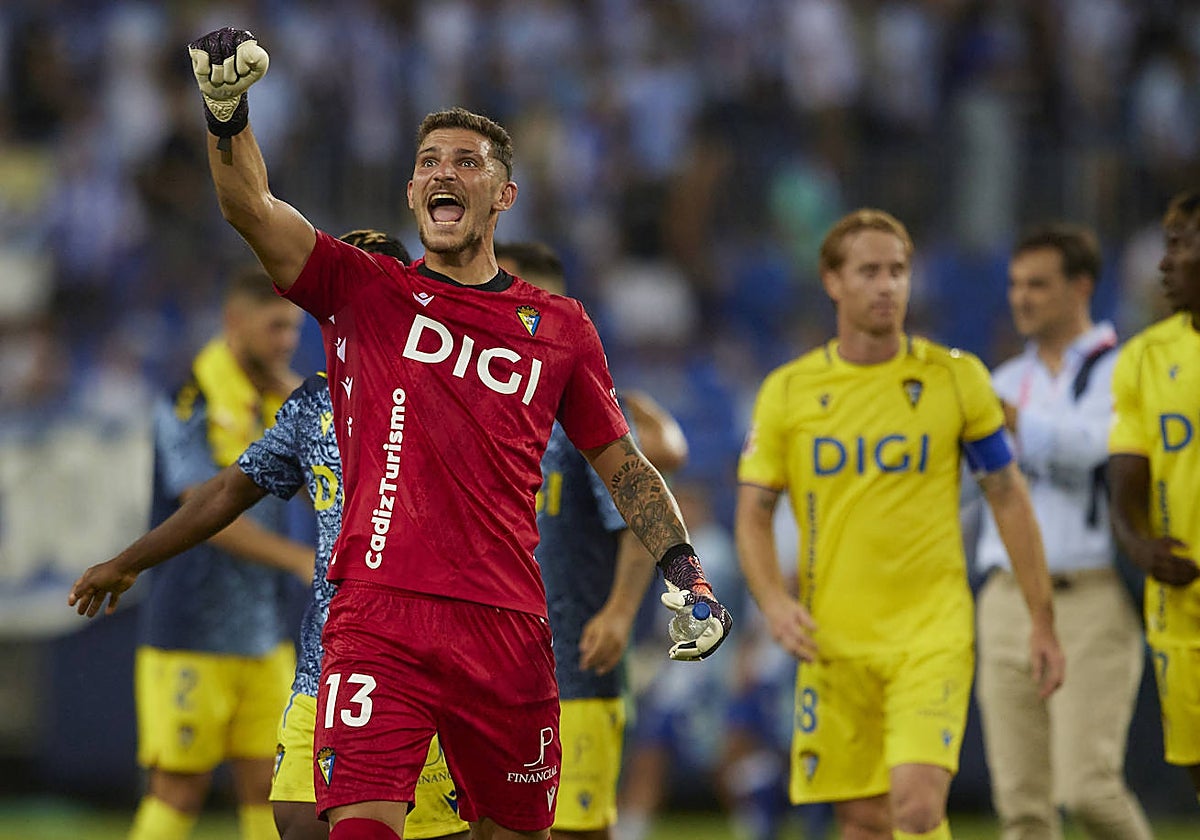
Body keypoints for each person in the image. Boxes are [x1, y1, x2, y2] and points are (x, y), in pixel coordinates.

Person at [186, 28, 733, 840]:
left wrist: (687, 575)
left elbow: (624, 467)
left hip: (506, 627)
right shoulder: (363, 291)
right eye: (431, 160)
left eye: (468, 161)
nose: (445, 170)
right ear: (412, 193)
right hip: (378, 619)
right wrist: (227, 113)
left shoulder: (559, 328)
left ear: (503, 197)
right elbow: (250, 208)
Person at [70, 231, 470, 840]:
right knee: (280, 812)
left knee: (425, 828)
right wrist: (131, 560)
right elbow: (224, 491)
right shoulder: (303, 401)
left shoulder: (454, 393)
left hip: (415, 660)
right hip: (308, 657)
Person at [734, 208, 1066, 840]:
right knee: (862, 820)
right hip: (832, 639)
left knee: (915, 808)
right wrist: (775, 604)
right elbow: (753, 512)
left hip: (930, 633)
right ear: (833, 281)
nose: (888, 285)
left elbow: (1009, 497)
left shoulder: (956, 377)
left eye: (899, 271)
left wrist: (1041, 618)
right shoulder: (788, 391)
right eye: (869, 271)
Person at [495, 240, 688, 840]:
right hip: (494, 665)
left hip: (574, 664)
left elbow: (639, 507)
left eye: (512, 290)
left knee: (575, 830)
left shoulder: (586, 408)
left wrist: (620, 611)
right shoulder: (491, 403)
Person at [973, 224, 1151, 840]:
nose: (1021, 298)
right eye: (1016, 285)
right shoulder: (998, 381)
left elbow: (1102, 450)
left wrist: (1013, 427)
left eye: (1038, 284)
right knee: (1021, 809)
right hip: (1003, 599)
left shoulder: (1127, 369)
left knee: (1088, 789)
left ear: (1083, 287)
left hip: (1090, 595)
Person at [125, 263, 310, 840]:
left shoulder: (286, 403)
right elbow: (202, 511)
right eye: (273, 328)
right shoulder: (190, 400)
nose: (286, 343)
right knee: (179, 788)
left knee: (271, 786)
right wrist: (299, 560)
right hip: (189, 630)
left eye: (293, 330)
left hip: (263, 633)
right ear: (235, 322)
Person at [1108, 190, 1200, 800]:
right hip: (1182, 604)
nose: (1164, 264)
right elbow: (1126, 485)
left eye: (1181, 245)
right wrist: (1140, 548)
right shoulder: (1144, 358)